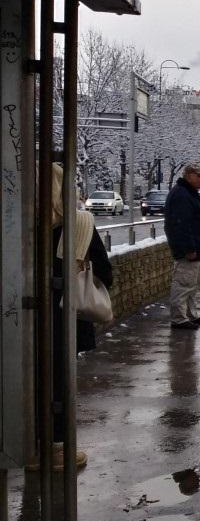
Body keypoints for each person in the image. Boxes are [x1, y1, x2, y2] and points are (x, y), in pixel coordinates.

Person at [37, 163, 112, 471]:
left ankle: (30, 443)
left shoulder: (25, 224)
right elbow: (104, 272)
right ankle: (55, 448)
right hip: (64, 315)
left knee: (32, 376)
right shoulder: (78, 222)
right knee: (59, 378)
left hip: (26, 316)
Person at [164, 162, 200, 331]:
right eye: (199, 176)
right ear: (188, 175)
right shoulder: (182, 195)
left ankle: (190, 314)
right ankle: (179, 318)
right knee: (183, 285)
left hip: (195, 250)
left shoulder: (188, 193)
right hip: (188, 252)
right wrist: (189, 249)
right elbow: (180, 225)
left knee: (191, 285)